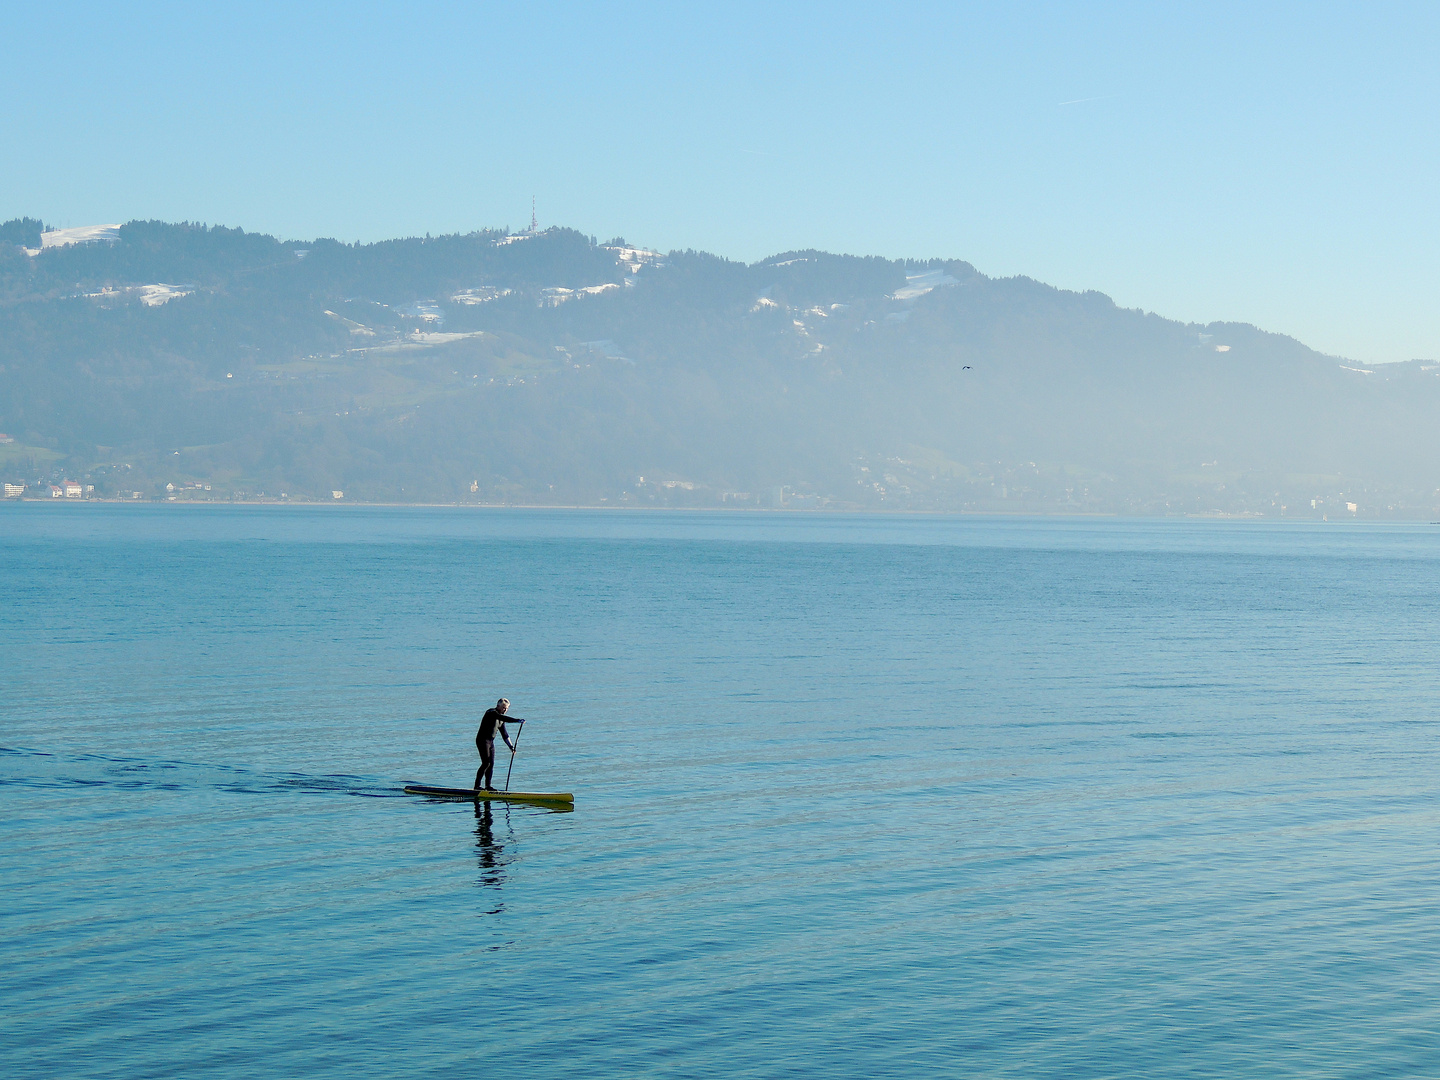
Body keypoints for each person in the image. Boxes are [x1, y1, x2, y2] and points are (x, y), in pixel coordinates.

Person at [474, 698, 520, 791]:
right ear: (498, 706)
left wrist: (511, 747)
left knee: (491, 764)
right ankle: (477, 786)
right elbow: (503, 718)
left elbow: (505, 735)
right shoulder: (491, 712)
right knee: (486, 763)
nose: (505, 710)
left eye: (506, 708)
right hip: (482, 740)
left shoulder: (501, 719)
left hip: (490, 742)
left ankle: (488, 786)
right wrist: (517, 720)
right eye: (503, 708)